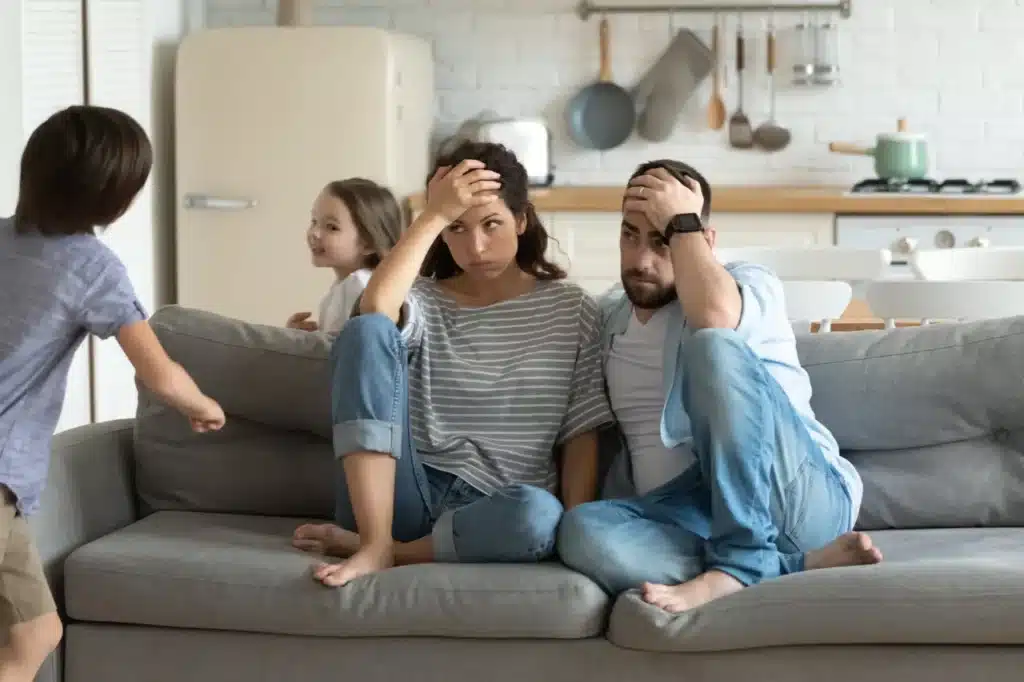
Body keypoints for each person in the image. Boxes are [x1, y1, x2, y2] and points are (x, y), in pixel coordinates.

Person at [557, 159, 882, 614]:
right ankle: (785, 566)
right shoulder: (609, 318)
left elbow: (714, 319)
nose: (642, 260)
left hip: (796, 496)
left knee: (713, 347)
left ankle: (741, 561)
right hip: (693, 513)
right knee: (581, 532)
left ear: (702, 240)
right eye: (630, 235)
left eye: (662, 240)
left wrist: (682, 222)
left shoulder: (748, 283)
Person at [292, 141, 613, 587]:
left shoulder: (572, 309)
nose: (475, 246)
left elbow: (580, 433)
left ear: (522, 221)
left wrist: (579, 535)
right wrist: (433, 213)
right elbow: (377, 307)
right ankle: (375, 541)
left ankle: (391, 554)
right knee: (366, 328)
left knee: (540, 516)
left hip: (497, 510)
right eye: (457, 229)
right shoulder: (423, 298)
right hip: (400, 496)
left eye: (492, 224)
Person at [0, 105, 225, 681]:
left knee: (35, 632)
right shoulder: (92, 267)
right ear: (115, 197)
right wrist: (201, 405)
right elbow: (157, 371)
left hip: (7, 489)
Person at [285, 178, 403, 334]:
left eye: (332, 227)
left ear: (368, 244)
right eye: (314, 221)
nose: (314, 233)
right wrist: (302, 338)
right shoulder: (344, 286)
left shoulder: (360, 287)